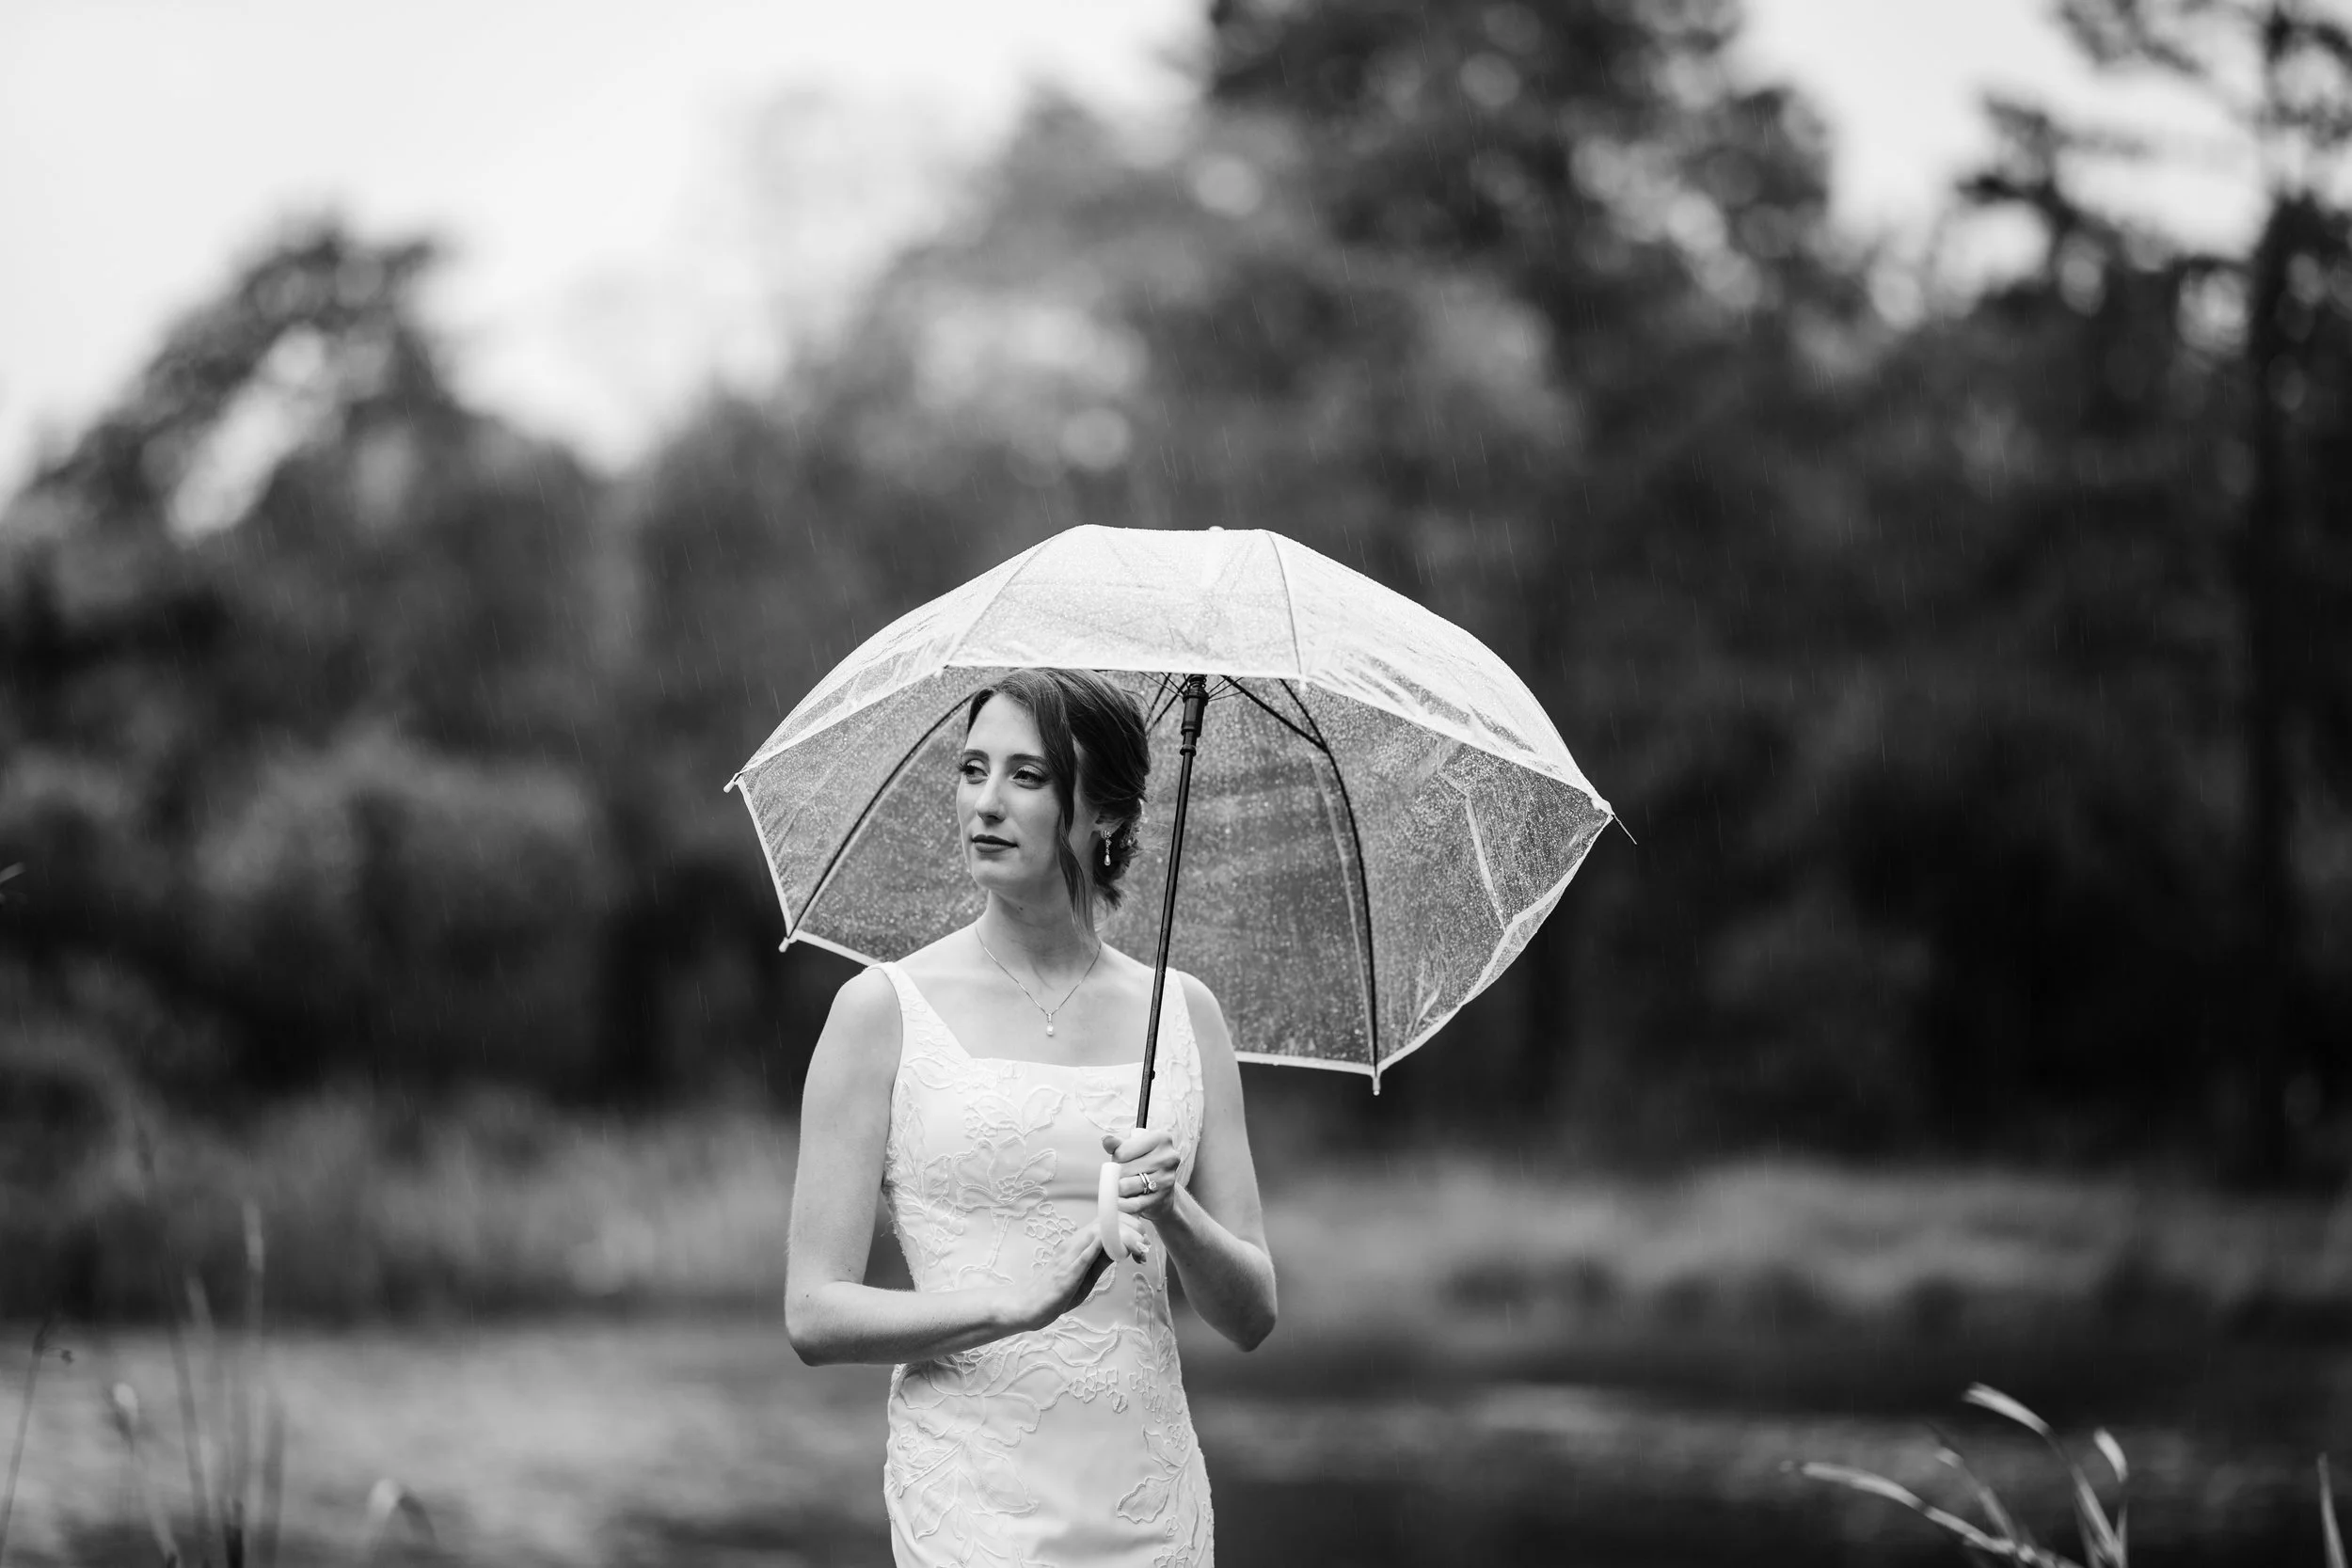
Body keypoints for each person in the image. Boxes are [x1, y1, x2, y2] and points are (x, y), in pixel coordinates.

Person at [786, 667, 1278, 1568]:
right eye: (973, 769)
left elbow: (1252, 1313)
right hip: (975, 1502)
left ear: (1107, 817)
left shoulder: (1186, 1015)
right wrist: (1013, 1305)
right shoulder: (879, 1012)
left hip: (1149, 1502)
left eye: (1028, 776)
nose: (986, 802)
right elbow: (813, 1313)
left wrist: (1173, 1207)